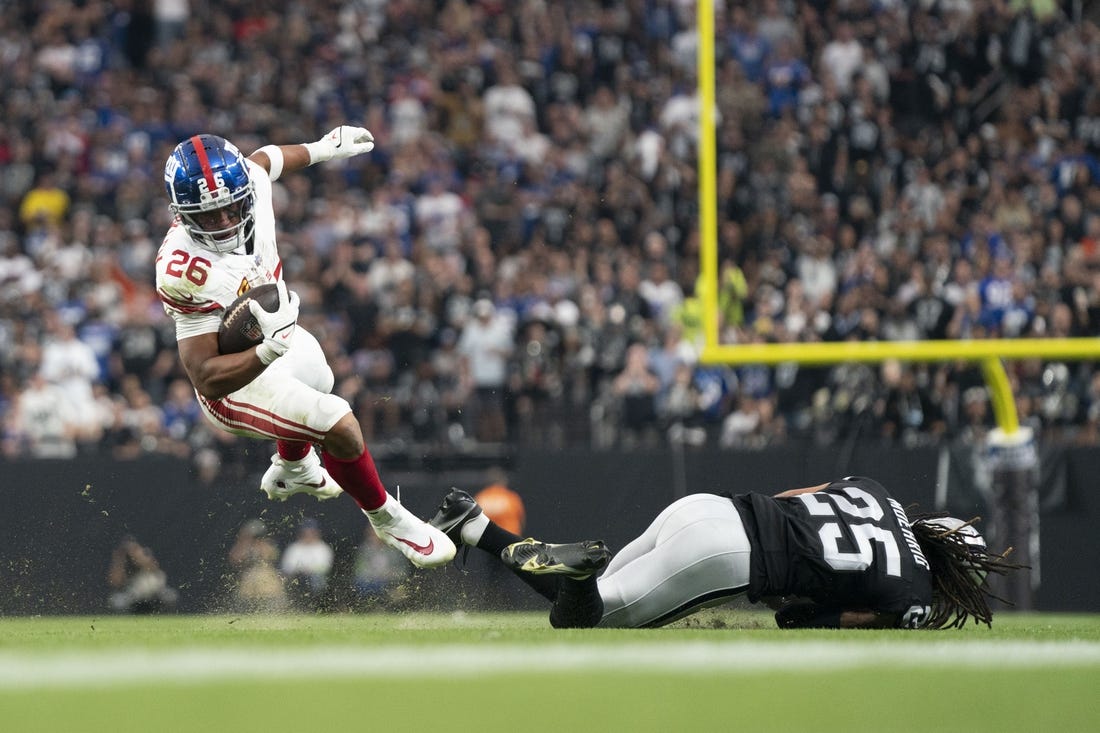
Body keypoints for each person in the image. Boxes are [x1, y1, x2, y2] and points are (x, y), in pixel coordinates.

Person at [155, 128, 454, 569]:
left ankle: (294, 466)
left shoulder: (251, 181)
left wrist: (321, 149)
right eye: (207, 215)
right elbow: (204, 376)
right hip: (231, 384)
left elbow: (265, 159)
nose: (222, 222)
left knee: (322, 379)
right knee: (337, 420)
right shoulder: (184, 268)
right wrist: (265, 352)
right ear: (182, 213)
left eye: (228, 208)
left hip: (277, 337)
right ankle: (389, 519)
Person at [429, 476, 1024, 630]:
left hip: (714, 508)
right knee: (584, 615)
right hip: (728, 556)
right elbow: (803, 618)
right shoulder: (914, 596)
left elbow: (798, 496)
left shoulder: (876, 494)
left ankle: (475, 525)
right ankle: (574, 567)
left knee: (604, 584)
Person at [107, 535, 179, 614]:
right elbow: (115, 582)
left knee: (170, 596)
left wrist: (138, 556)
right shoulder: (122, 562)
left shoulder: (144, 555)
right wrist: (119, 560)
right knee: (117, 601)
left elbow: (154, 569)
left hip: (154, 593)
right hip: (134, 596)